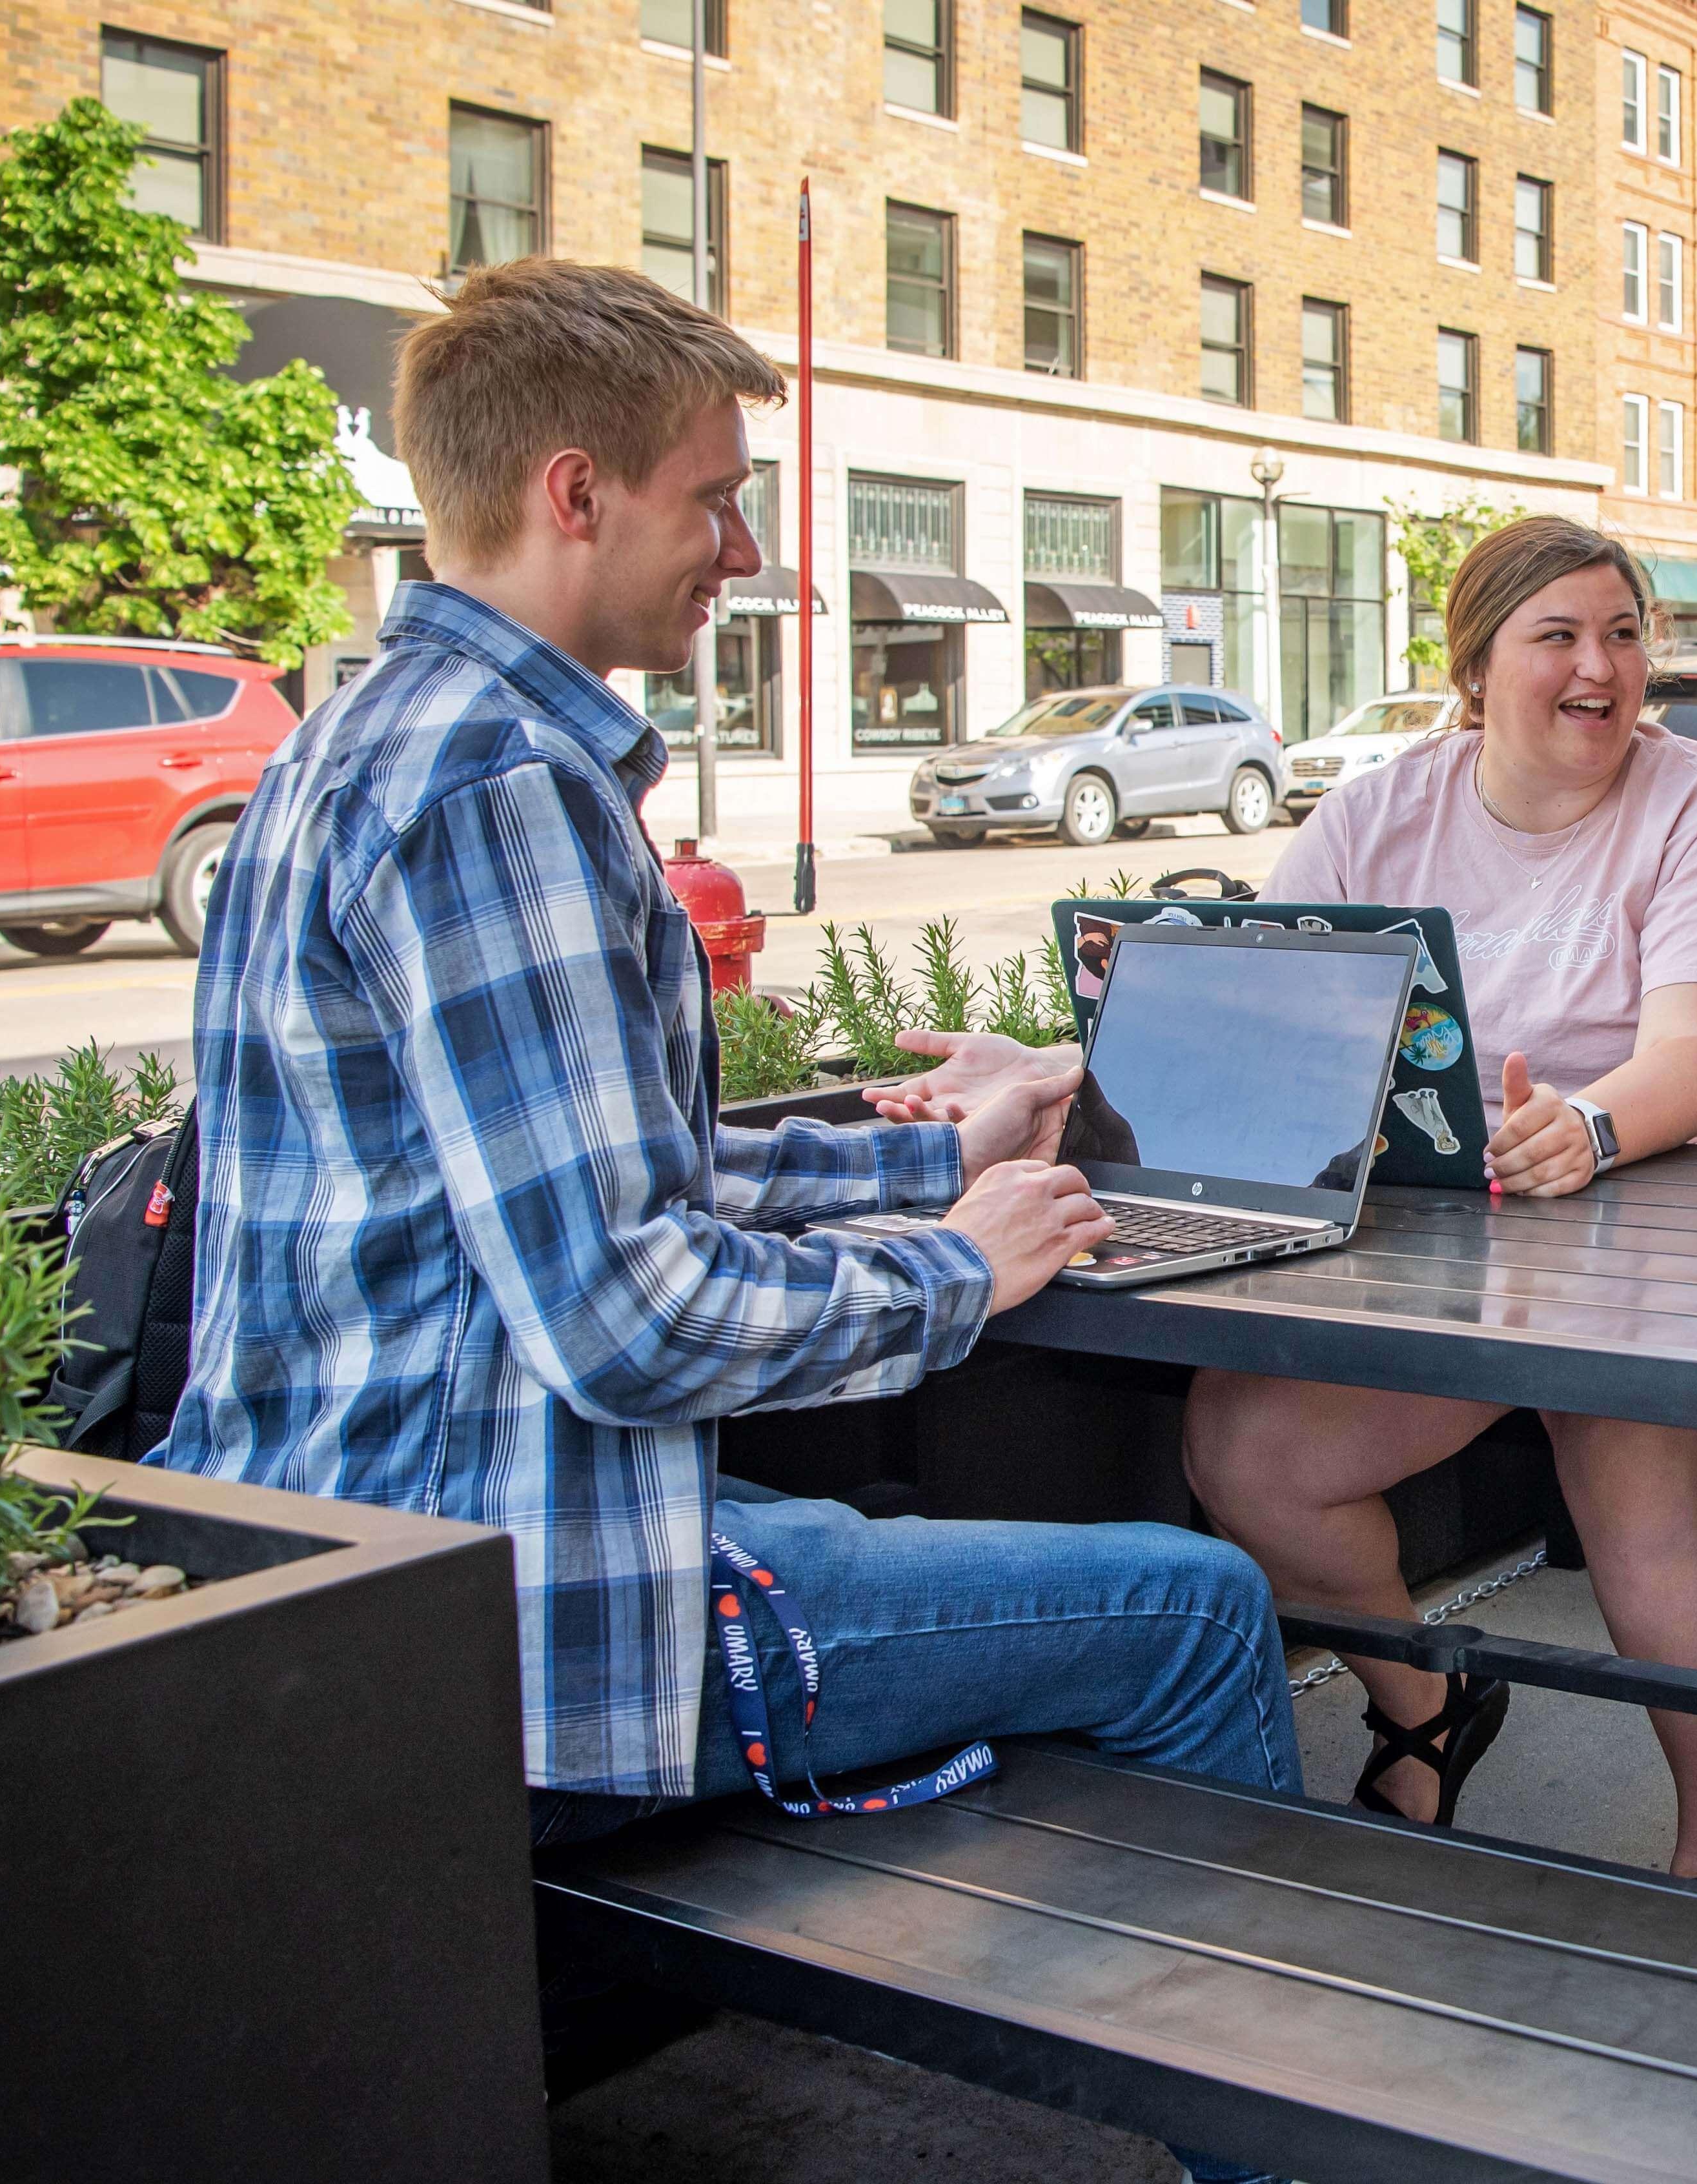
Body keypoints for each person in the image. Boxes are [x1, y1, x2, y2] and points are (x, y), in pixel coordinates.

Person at [155, 262, 1300, 1925]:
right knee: (1193, 1611)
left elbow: (601, 1177)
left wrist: (937, 1167)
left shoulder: (360, 739)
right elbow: (627, 1315)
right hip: (519, 1637)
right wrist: (962, 1269)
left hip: (359, 1566)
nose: (745, 558)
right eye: (716, 501)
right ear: (575, 495)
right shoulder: (500, 792)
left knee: (915, 1534)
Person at [885, 518, 1697, 1875]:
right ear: (1473, 666)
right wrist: (1053, 1067)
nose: (1600, 666)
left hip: (1642, 1210)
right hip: (1438, 1222)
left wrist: (1589, 1130)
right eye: (1557, 635)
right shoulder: (1378, 810)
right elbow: (1251, 998)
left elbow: (1694, 1052)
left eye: (1621, 634)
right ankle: (1427, 1707)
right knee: (1251, 1458)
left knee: (1637, 1490)